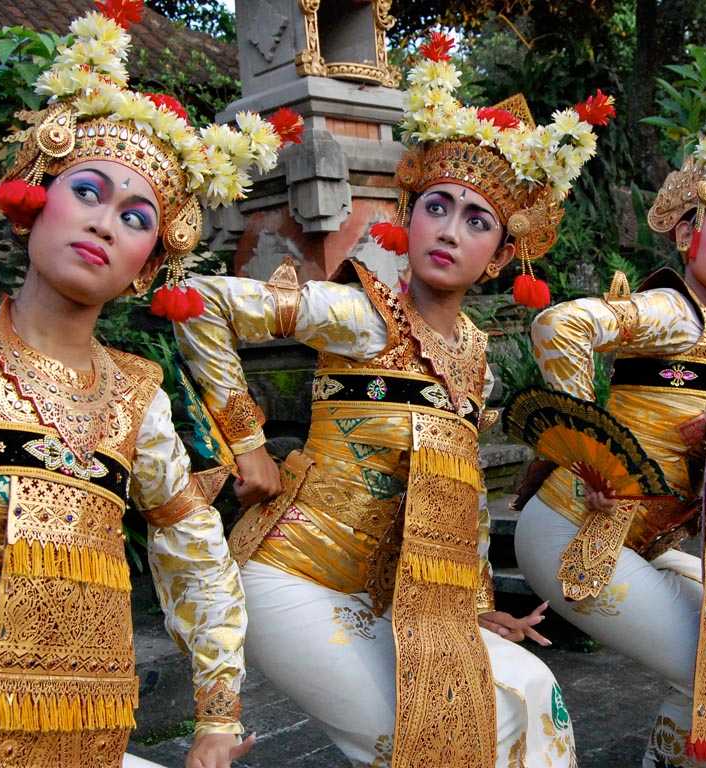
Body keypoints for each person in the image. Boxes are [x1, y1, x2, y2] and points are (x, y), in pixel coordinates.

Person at [173, 31, 613, 768]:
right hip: (294, 578)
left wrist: (473, 605)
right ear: (407, 218)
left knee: (534, 691)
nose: (449, 228)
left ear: (503, 255)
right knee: (435, 743)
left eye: (477, 221)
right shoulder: (359, 315)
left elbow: (461, 493)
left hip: (398, 601)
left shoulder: (474, 355)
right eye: (437, 206)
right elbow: (203, 304)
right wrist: (247, 442)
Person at [0, 2, 301, 765]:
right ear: (34, 202)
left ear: (148, 266)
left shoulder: (138, 399)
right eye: (89, 192)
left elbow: (195, 550)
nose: (105, 224)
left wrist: (218, 720)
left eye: (137, 217)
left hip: (74, 738)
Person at [515, 78, 706, 767]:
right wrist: (590, 453)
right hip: (575, 527)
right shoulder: (670, 311)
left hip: (639, 538)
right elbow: (559, 325)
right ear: (688, 232)